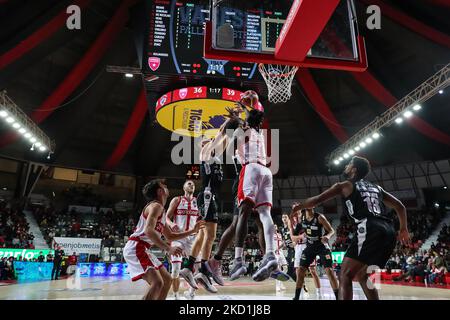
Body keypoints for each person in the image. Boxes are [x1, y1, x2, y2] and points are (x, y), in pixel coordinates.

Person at [291, 156, 410, 300]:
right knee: (362, 274)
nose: (346, 166)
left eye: (349, 164)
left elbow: (316, 201)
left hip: (368, 227)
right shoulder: (376, 187)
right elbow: (400, 206)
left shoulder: (345, 185)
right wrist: (403, 229)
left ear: (354, 170)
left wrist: (300, 206)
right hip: (388, 231)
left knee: (345, 274)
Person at [122, 179, 205, 300]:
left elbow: (170, 236)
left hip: (143, 248)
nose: (167, 187)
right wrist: (168, 248)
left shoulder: (161, 210)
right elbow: (148, 230)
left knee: (167, 280)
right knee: (157, 283)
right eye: (164, 186)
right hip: (136, 247)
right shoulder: (156, 206)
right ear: (160, 191)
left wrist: (192, 231)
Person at [290, 208, 339, 300]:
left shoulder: (319, 217)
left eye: (311, 203)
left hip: (322, 246)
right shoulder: (302, 220)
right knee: (300, 271)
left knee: (329, 271)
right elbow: (293, 236)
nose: (310, 204)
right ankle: (296, 297)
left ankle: (338, 297)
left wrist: (327, 236)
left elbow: (332, 230)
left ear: (313, 206)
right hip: (309, 247)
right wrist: (295, 237)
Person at [165, 180, 200, 300]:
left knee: (197, 269)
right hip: (178, 237)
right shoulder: (177, 200)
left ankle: (190, 294)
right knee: (175, 270)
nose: (191, 185)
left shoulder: (198, 201)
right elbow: (166, 218)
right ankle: (176, 296)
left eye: (193, 184)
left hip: (193, 238)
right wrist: (171, 224)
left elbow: (201, 220)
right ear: (183, 187)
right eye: (189, 183)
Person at [289, 210, 321, 298]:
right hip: (298, 247)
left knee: (313, 270)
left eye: (298, 209)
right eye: (294, 209)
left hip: (308, 245)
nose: (296, 211)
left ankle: (319, 292)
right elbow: (292, 237)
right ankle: (301, 290)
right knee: (298, 271)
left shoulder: (306, 219)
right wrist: (300, 237)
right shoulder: (291, 222)